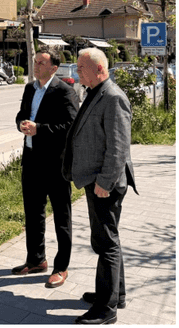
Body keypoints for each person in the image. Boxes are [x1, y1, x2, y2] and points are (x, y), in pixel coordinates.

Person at [63, 48, 138, 325]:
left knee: (105, 243)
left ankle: (106, 310)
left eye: (81, 67)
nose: (77, 72)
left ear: (99, 69)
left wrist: (105, 183)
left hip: (105, 182)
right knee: (109, 240)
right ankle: (115, 294)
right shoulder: (95, 91)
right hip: (97, 180)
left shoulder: (114, 97)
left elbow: (119, 148)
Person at [11, 50, 79, 289]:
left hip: (56, 164)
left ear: (53, 67)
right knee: (33, 213)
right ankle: (36, 260)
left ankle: (61, 268)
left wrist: (39, 128)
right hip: (31, 161)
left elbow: (70, 126)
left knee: (62, 216)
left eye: (41, 62)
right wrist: (22, 124)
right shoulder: (30, 88)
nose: (36, 65)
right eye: (35, 61)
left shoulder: (64, 91)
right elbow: (21, 114)